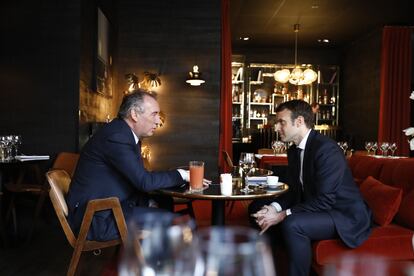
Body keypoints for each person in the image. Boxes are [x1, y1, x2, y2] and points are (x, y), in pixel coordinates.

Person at [249, 100, 372, 276]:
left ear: (299, 122)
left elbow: (325, 201)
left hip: (342, 213)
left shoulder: (326, 150)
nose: (276, 128)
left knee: (293, 224)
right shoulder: (293, 150)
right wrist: (273, 208)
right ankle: (270, 268)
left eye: (281, 122)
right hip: (317, 206)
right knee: (257, 209)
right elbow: (294, 190)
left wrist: (282, 214)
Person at [67, 89, 208, 241]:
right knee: (179, 223)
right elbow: (144, 181)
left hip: (110, 208)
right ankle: (156, 262)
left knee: (164, 202)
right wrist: (183, 175)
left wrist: (149, 200)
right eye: (154, 114)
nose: (158, 121)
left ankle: (151, 259)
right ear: (134, 114)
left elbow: (137, 178)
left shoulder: (123, 133)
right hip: (95, 218)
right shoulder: (117, 136)